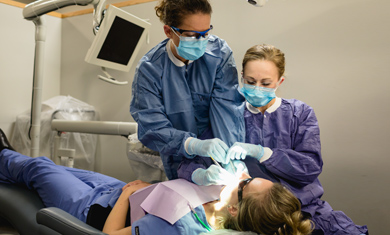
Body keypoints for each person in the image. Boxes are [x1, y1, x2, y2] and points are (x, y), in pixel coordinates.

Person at [178, 44, 369, 234]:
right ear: (242, 77)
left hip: (309, 211)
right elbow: (186, 165)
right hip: (259, 220)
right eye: (250, 81)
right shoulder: (227, 119)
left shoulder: (299, 114)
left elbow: (309, 168)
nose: (257, 88)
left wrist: (264, 153)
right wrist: (200, 174)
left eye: (266, 83)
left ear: (280, 81)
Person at [0, 129, 312, 235]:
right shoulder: (223, 197)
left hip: (94, 208)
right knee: (38, 167)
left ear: (235, 211)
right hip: (117, 189)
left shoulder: (179, 226)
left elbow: (110, 234)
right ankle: (6, 158)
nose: (243, 178)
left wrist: (126, 195)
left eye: (245, 186)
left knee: (39, 168)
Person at [130, 0, 245, 180]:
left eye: (205, 33)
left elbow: (228, 110)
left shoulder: (219, 54)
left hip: (219, 149)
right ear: (169, 31)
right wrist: (191, 145)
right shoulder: (150, 69)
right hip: (178, 156)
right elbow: (152, 126)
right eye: (192, 35)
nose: (201, 41)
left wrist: (231, 156)